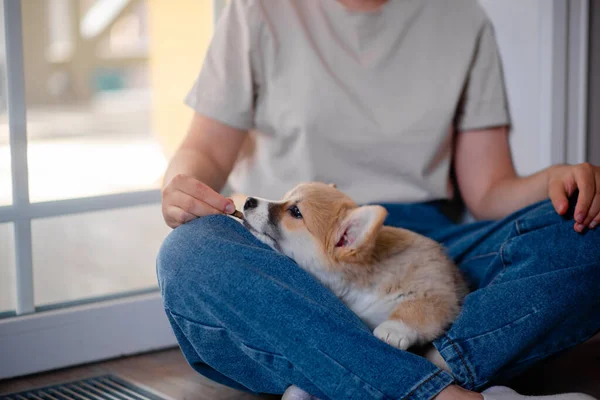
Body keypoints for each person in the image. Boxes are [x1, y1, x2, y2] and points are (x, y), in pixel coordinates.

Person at [156, 1, 600, 399]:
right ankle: (436, 388)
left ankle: (362, 377)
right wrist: (183, 184)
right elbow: (208, 149)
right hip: (287, 262)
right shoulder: (259, 10)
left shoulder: (461, 18)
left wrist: (558, 181)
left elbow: (488, 191)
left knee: (589, 233)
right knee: (189, 253)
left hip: (423, 250)